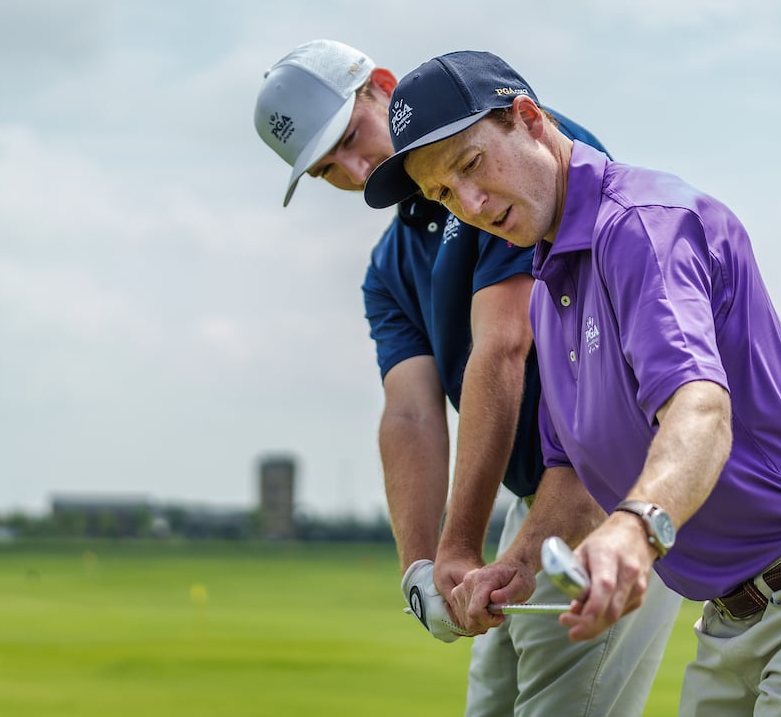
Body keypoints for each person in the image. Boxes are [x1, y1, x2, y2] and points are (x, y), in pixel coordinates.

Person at [364, 49, 781, 715]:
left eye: (470, 165)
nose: (470, 203)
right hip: (735, 620)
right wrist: (514, 567)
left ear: (527, 118)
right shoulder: (555, 279)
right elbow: (572, 474)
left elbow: (699, 410)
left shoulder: (640, 225)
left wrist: (636, 528)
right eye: (443, 195)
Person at [253, 40, 682, 716]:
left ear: (380, 88)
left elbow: (505, 344)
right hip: (529, 491)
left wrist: (461, 544)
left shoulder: (512, 162)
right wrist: (423, 568)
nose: (357, 170)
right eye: (326, 169)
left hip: (605, 484)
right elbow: (410, 414)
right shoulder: (390, 263)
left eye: (349, 138)